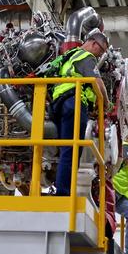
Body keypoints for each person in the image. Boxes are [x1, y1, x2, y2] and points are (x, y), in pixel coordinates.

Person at [50, 30, 109, 196]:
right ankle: (63, 193)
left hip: (58, 103)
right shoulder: (86, 56)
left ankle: (60, 189)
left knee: (65, 150)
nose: (100, 56)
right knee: (72, 151)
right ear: (94, 43)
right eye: (101, 51)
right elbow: (97, 82)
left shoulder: (69, 56)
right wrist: (105, 102)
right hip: (74, 102)